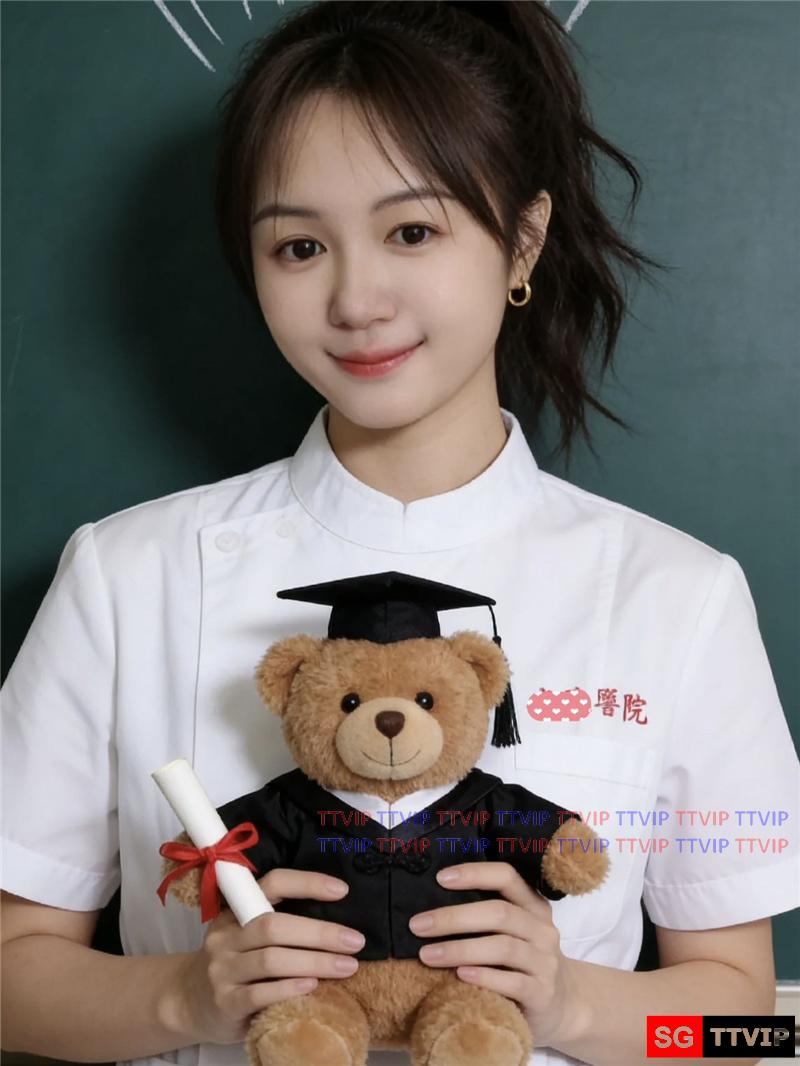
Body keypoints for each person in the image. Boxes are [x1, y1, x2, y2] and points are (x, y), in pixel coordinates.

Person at [2, 3, 798, 1065]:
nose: (355, 300)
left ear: (522, 239)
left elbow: (744, 1026)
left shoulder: (677, 594)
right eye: (298, 246)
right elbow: (12, 977)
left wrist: (569, 1005)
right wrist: (187, 997)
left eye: (411, 231)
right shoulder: (127, 575)